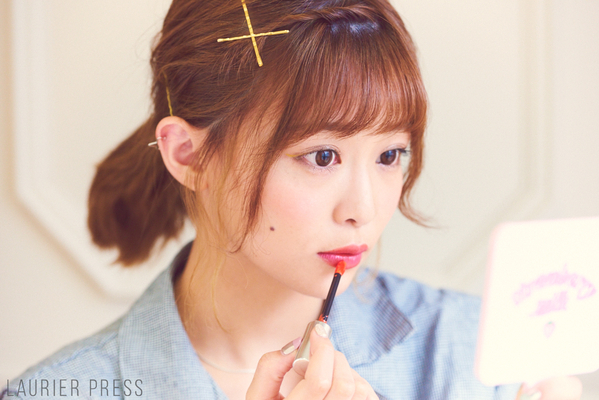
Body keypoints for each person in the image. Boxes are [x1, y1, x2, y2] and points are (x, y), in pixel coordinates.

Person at [2, 0, 583, 399]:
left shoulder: (482, 362)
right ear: (189, 156)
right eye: (322, 156)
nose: (363, 210)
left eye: (389, 156)